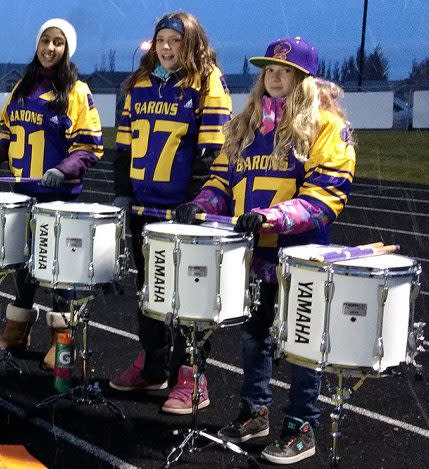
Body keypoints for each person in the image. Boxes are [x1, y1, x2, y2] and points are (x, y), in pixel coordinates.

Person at [175, 37, 355, 465]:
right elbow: (221, 182)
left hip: (301, 259)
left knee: (301, 344)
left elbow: (327, 193)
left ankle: (302, 425)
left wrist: (274, 217)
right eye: (269, 70)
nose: (275, 77)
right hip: (253, 258)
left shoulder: (325, 125)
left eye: (285, 71)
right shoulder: (244, 124)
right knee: (254, 338)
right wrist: (200, 205)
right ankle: (254, 413)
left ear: (304, 79)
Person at [107, 11, 233, 415]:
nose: (165, 47)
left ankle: (191, 376)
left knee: (190, 297)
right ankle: (153, 364)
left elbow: (213, 153)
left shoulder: (207, 82)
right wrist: (123, 193)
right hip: (145, 208)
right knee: (151, 291)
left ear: (191, 43)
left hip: (183, 212)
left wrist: (195, 203)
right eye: (160, 39)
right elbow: (124, 147)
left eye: (174, 41)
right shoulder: (140, 84)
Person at [0, 19, 104, 369]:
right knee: (24, 266)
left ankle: (63, 342)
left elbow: (91, 147)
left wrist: (63, 169)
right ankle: (17, 333)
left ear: (68, 49)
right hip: (22, 193)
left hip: (58, 198)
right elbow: (9, 135)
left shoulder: (77, 91)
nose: (50, 48)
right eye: (45, 41)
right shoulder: (22, 87)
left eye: (58, 43)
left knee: (57, 269)